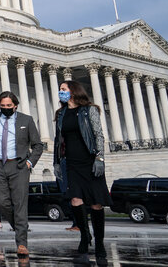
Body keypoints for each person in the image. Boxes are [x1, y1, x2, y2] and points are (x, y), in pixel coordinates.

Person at [53, 80, 112, 264]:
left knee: (95, 203)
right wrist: (56, 162)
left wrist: (100, 158)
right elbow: (58, 139)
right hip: (71, 162)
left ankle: (100, 243)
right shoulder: (61, 113)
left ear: (73, 91)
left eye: (63, 89)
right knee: (75, 200)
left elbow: (98, 134)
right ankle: (85, 236)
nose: (60, 92)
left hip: (90, 160)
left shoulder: (89, 110)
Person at [0, 91, 44, 258]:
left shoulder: (26, 120)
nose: (6, 109)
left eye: (9, 106)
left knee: (20, 204)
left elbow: (38, 145)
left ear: (15, 105)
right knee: (1, 202)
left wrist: (30, 163)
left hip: (18, 165)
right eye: (3, 106)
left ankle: (22, 243)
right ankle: (20, 228)